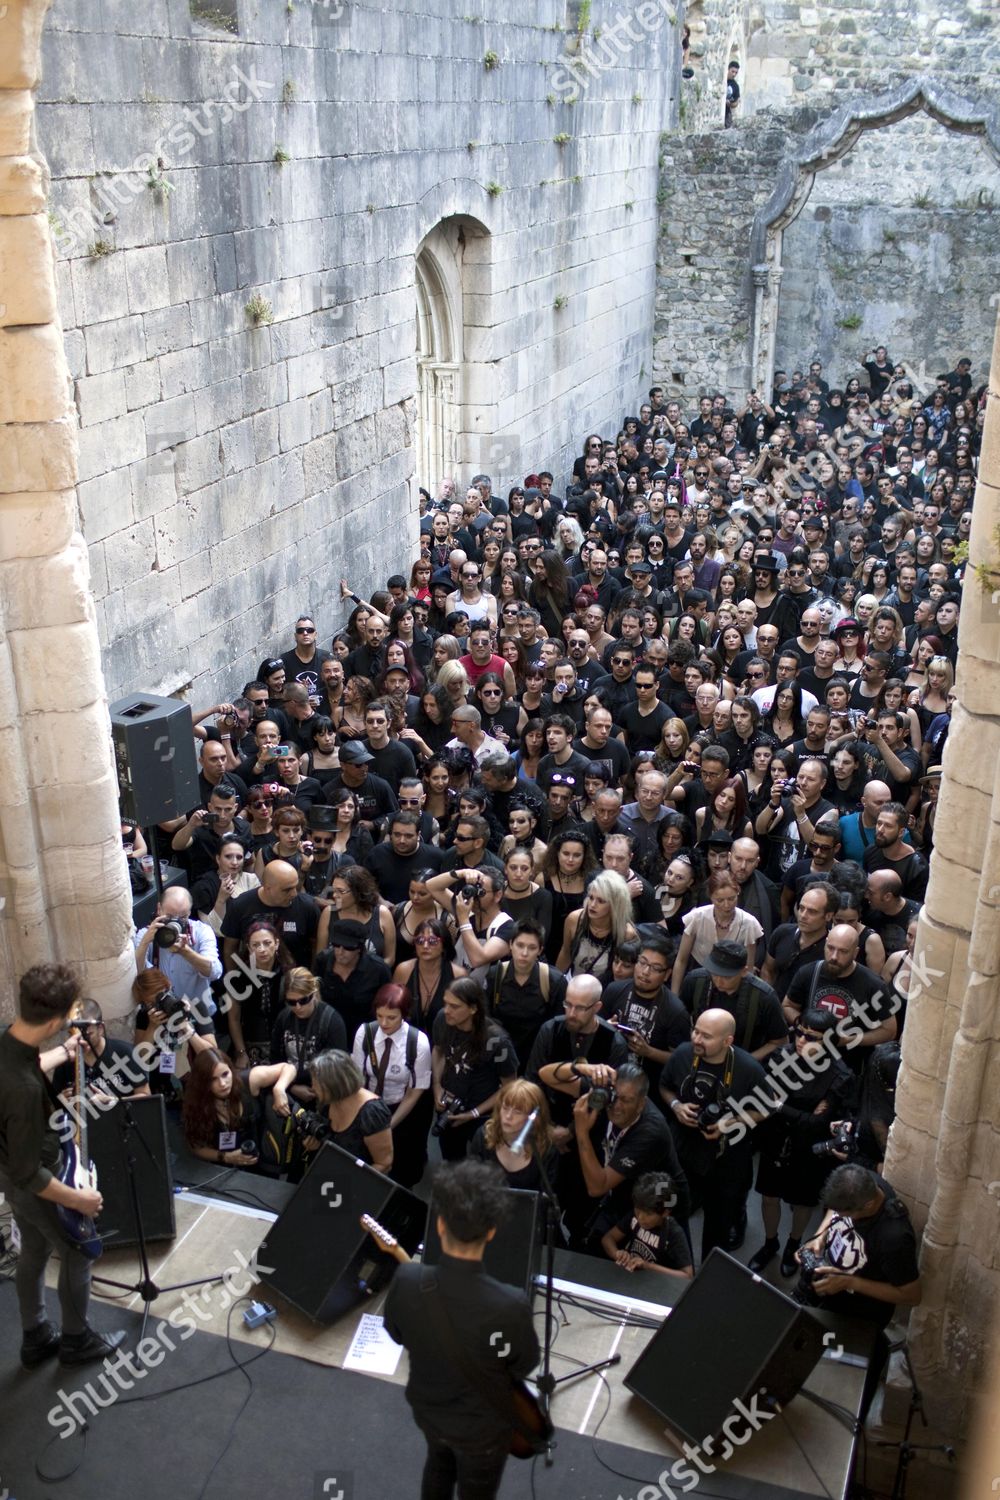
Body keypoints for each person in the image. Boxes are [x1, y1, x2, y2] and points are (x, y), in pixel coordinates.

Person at [383, 1160, 541, 1500]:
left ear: (440, 1225)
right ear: (491, 1231)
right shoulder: (510, 1304)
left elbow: (396, 1333)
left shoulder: (408, 1281)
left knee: (437, 1467)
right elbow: (522, 1364)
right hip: (483, 1431)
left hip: (430, 1411)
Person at [0, 963, 126, 1368]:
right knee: (77, 1253)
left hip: (11, 1178)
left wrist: (62, 1052)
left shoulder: (8, 1042)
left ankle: (36, 1333)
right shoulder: (21, 1092)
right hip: (33, 1181)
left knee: (34, 1248)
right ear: (55, 1020)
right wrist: (79, 1200)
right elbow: (28, 1173)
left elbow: (26, 1066)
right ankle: (76, 1340)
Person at [661, 1008, 773, 1259]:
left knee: (718, 1225)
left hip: (727, 1159)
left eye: (706, 1036)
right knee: (672, 1212)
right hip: (683, 1151)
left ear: (727, 1041)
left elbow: (767, 1108)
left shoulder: (749, 1068)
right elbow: (664, 1086)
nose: (697, 1040)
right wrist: (676, 1106)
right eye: (696, 1031)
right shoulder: (682, 1054)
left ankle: (709, 1274)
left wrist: (731, 1122)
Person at [351, 984, 433, 1188]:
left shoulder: (418, 1042)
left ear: (404, 1015)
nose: (384, 1023)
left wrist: (389, 1124)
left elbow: (416, 1091)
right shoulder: (366, 1033)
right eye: (379, 1016)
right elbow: (356, 1077)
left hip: (400, 1108)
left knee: (400, 1172)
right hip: (367, 1104)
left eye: (391, 1018)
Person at [469, 1079, 559, 1193]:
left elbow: (546, 1202)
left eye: (518, 1112)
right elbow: (471, 1187)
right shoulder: (484, 1136)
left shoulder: (547, 1149)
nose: (508, 1116)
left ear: (533, 1118)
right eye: (505, 1108)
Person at [600, 1171, 693, 1279]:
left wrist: (647, 1266)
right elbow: (608, 1238)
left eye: (648, 1214)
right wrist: (617, 1254)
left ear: (665, 1212)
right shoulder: (634, 1216)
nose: (640, 1218)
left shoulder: (673, 1233)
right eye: (638, 1210)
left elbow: (687, 1276)